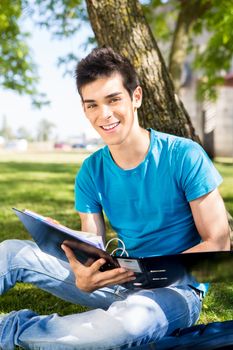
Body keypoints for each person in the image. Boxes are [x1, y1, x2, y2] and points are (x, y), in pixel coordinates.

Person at [0, 47, 230, 350]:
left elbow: (218, 241)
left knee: (124, 327)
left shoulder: (184, 155)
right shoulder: (91, 170)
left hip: (177, 292)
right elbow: (92, 242)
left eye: (113, 99)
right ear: (84, 109)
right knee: (12, 252)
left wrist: (150, 273)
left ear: (136, 97)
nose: (104, 115)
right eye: (92, 105)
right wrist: (81, 268)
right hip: (117, 278)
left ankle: (12, 328)